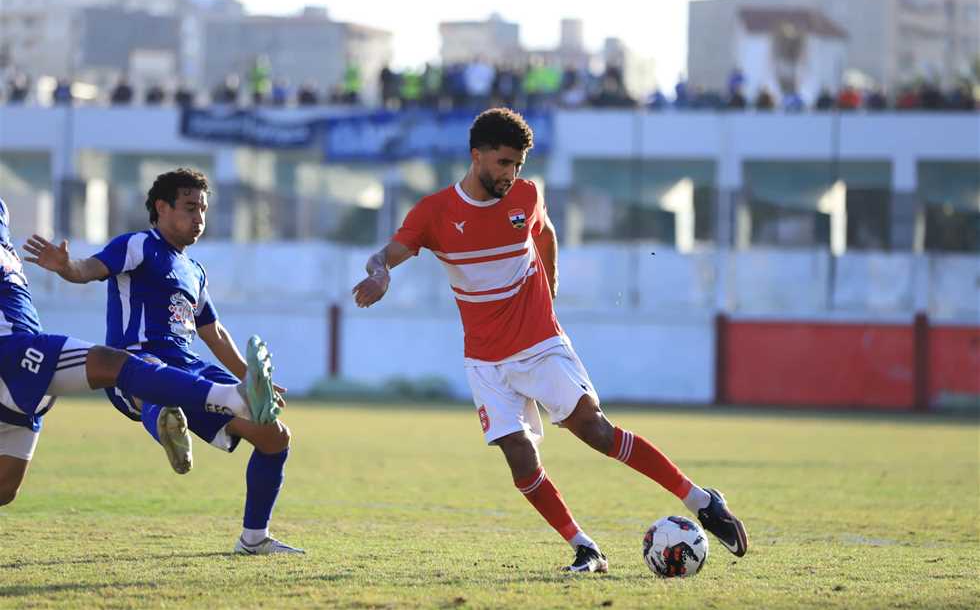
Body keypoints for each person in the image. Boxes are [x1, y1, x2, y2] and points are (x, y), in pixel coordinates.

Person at [352, 108, 749, 573]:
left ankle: (701, 501)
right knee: (520, 459)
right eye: (503, 163)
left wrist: (551, 280)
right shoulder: (435, 213)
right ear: (476, 155)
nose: (511, 174)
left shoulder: (526, 195)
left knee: (595, 431)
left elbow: (546, 234)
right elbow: (385, 253)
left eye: (518, 165)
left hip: (539, 341)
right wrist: (380, 275)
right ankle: (586, 548)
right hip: (484, 359)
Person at [23, 168, 303, 556]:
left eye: (203, 209)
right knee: (156, 386)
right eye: (190, 208)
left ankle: (253, 539)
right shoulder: (138, 244)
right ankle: (164, 418)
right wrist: (66, 267)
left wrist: (252, 378)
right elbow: (89, 269)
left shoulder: (195, 272)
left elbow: (214, 333)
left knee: (275, 437)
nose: (199, 218)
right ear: (161, 207)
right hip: (135, 362)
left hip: (192, 369)